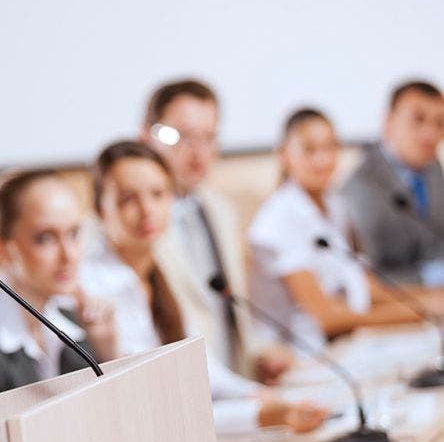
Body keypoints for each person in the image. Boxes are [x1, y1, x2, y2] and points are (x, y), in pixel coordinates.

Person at [82, 140, 327, 434]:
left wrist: (260, 396)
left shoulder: (159, 270)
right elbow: (156, 407)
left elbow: (202, 369)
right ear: (99, 208)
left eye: (158, 195)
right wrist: (260, 414)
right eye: (127, 199)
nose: (147, 209)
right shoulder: (94, 288)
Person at [139, 79, 291, 384]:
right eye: (179, 136)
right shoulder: (135, 223)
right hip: (179, 387)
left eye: (208, 137)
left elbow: (225, 311)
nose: (197, 151)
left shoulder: (220, 209)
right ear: (146, 135)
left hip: (236, 390)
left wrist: (256, 356)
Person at [249, 108, 421, 349]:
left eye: (330, 147)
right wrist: (414, 314)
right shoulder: (275, 223)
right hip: (299, 357)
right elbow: (326, 318)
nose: (323, 159)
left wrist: (427, 302)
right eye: (309, 149)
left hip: (345, 344)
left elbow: (362, 285)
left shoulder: (335, 204)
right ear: (284, 155)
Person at [0, 169, 119, 406]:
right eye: (45, 238)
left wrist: (108, 353)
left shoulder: (79, 322)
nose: (69, 254)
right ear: (1, 248)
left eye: (74, 233)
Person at [341, 81, 444, 286]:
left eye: (440, 123)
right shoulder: (362, 185)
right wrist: (427, 277)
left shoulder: (432, 168)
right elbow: (369, 278)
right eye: (418, 120)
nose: (430, 134)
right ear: (388, 122)